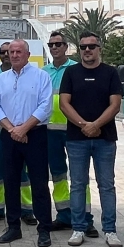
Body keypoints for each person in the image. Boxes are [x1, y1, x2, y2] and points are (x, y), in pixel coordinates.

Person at [58, 31, 123, 247]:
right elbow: (64, 104)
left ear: (99, 49)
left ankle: (110, 230)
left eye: (91, 47)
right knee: (77, 185)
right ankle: (78, 228)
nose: (87, 50)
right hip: (77, 138)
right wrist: (84, 125)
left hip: (105, 138)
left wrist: (96, 125)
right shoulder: (71, 73)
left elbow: (115, 104)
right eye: (83, 47)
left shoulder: (110, 73)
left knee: (107, 185)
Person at [0, 40, 55, 247]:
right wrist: (13, 130)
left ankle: (44, 229)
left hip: (35, 134)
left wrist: (24, 128)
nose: (15, 55)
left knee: (39, 183)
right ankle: (13, 227)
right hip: (9, 135)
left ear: (28, 54)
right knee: (10, 182)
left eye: (19, 51)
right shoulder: (2, 79)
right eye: (11, 52)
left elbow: (45, 106)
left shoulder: (41, 76)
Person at [44, 32, 96, 236]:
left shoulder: (76, 69)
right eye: (51, 44)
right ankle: (64, 214)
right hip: (50, 131)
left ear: (66, 47)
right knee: (57, 176)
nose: (54, 47)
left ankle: (85, 218)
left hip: (74, 129)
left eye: (58, 44)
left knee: (79, 177)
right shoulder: (44, 72)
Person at [0, 41, 34, 225]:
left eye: (11, 52)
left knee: (23, 173)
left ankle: (26, 210)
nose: (7, 55)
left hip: (24, 132)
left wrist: (21, 129)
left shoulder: (31, 75)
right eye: (3, 52)